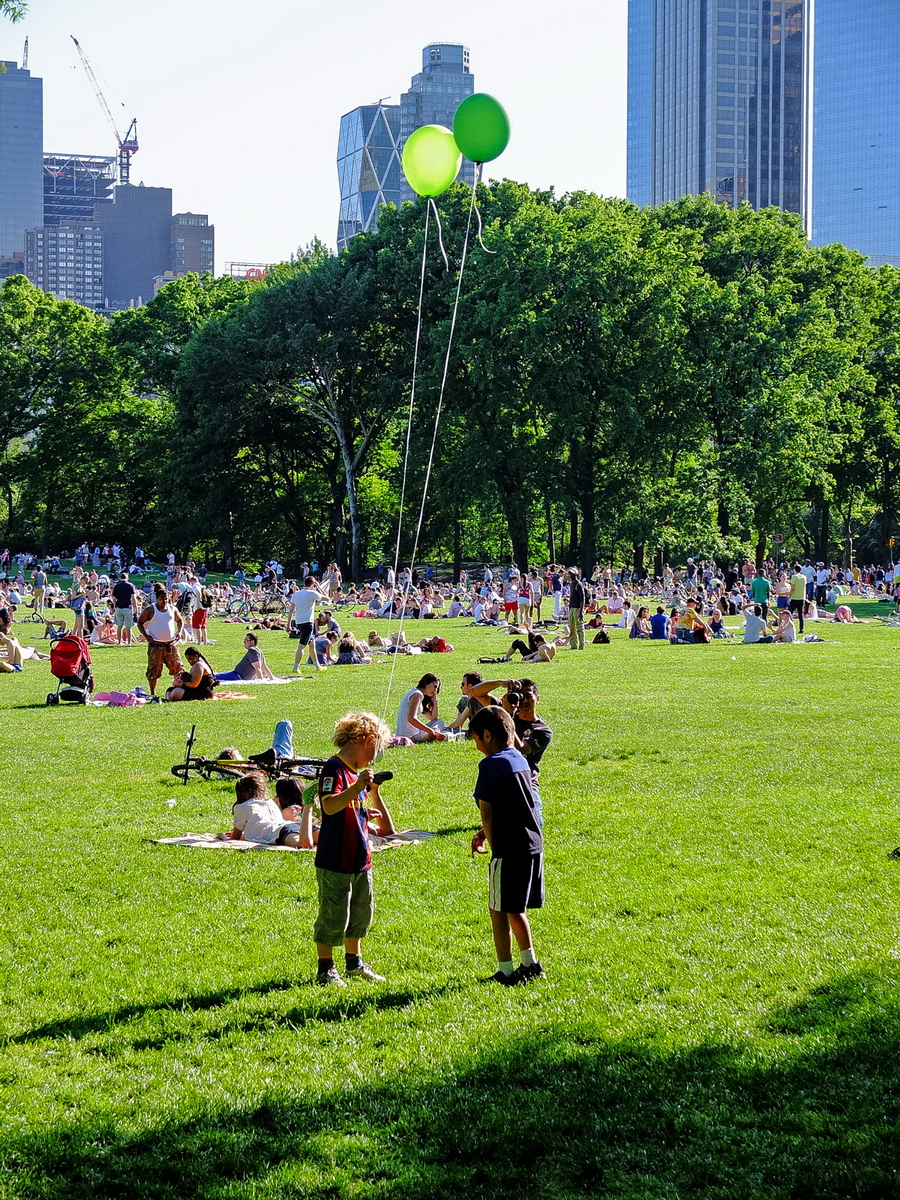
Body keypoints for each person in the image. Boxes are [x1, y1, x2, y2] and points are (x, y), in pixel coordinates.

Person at [314, 710, 394, 986]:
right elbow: (330, 804)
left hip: (360, 857)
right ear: (365, 739)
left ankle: (354, 963)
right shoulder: (334, 768)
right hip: (336, 858)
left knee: (360, 913)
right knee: (333, 915)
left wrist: (363, 813)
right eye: (377, 748)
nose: (375, 756)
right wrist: (358, 786)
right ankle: (326, 969)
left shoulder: (355, 774)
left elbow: (349, 806)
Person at [470, 705, 544, 986]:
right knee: (515, 907)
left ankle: (506, 971)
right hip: (531, 844)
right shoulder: (518, 759)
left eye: (476, 740)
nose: (477, 747)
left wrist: (491, 844)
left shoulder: (489, 765)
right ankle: (531, 963)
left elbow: (487, 811)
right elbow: (516, 805)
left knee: (498, 908)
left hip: (508, 849)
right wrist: (483, 833)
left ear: (487, 735)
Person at [225, 771, 306, 848]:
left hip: (280, 833)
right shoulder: (270, 803)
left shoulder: (242, 807)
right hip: (290, 825)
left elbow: (235, 837)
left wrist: (222, 837)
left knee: (301, 845)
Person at [137, 587, 185, 700]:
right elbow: (140, 622)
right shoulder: (150, 610)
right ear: (156, 599)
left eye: (166, 599)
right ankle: (153, 693)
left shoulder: (172, 609)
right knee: (153, 670)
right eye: (161, 599)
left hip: (171, 644)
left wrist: (179, 632)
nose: (164, 601)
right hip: (156, 645)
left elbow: (180, 620)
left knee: (177, 668)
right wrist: (146, 636)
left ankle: (180, 690)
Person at [290, 576, 330, 672]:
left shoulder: (296, 594)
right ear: (313, 584)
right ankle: (295, 667)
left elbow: (291, 610)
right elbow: (327, 598)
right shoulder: (312, 593)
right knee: (301, 646)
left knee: (312, 644)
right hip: (308, 623)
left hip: (299, 622)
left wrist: (288, 625)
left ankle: (317, 666)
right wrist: (319, 587)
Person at [396, 673, 448, 742]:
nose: (435, 690)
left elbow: (433, 717)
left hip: (406, 733)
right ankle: (435, 735)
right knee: (446, 735)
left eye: (437, 688)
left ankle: (435, 733)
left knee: (439, 721)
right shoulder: (417, 695)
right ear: (427, 683)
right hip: (411, 736)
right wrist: (429, 731)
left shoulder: (415, 693)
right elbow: (411, 718)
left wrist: (435, 699)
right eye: (435, 686)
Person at [111, 572, 137, 645]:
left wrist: (115, 605)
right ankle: (129, 642)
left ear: (120, 578)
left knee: (119, 626)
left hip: (119, 607)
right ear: (127, 578)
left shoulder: (116, 586)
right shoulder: (130, 586)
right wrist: (135, 607)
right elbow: (133, 598)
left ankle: (119, 642)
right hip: (127, 607)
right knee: (128, 627)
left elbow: (114, 598)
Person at [567, 567, 585, 650]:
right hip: (571, 608)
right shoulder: (571, 584)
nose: (570, 575)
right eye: (569, 574)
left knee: (579, 628)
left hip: (578, 608)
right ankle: (573, 645)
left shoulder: (579, 584)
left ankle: (581, 645)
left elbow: (582, 599)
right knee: (571, 628)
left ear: (576, 574)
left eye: (571, 574)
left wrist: (581, 611)